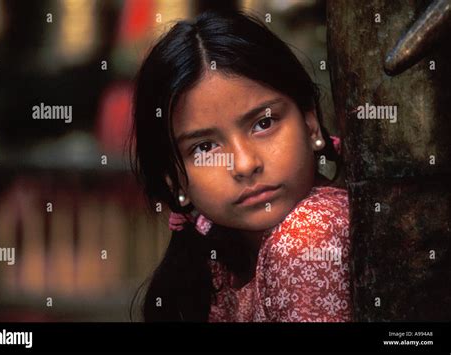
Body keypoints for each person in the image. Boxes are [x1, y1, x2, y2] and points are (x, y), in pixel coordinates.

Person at [130, 10, 351, 322]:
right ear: (174, 180)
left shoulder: (308, 235)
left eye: (264, 123)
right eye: (205, 147)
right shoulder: (219, 259)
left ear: (311, 122)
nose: (245, 165)